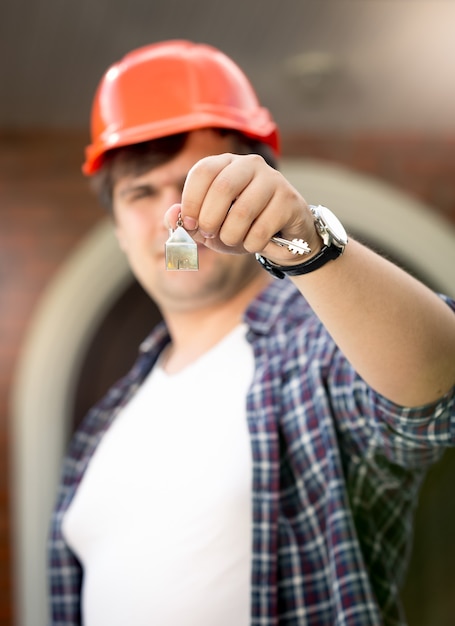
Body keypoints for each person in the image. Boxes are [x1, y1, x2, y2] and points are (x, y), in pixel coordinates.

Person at [48, 40, 455, 626]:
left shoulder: (318, 343)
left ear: (259, 182)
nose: (178, 216)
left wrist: (308, 246)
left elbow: (437, 384)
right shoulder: (106, 421)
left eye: (199, 183)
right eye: (142, 192)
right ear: (115, 226)